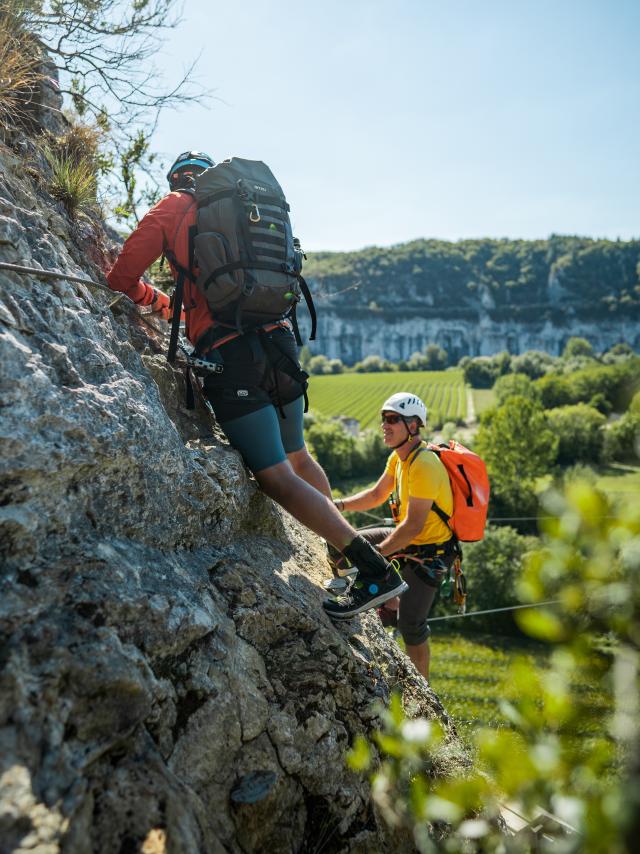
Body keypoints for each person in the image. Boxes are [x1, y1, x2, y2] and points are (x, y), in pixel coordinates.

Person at [106, 150, 407, 619]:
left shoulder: (171, 209)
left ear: (176, 180)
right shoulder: (249, 213)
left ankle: (375, 572)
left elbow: (121, 277)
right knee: (300, 456)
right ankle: (339, 551)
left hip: (232, 356)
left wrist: (150, 295)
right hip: (280, 345)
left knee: (275, 478)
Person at [333, 393, 458, 679]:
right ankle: (386, 600)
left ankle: (424, 692)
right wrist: (338, 505)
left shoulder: (424, 464)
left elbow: (413, 527)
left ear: (413, 426)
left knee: (411, 625)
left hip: (431, 552)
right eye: (384, 420)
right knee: (341, 543)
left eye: (392, 420)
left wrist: (373, 559)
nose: (384, 426)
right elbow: (377, 494)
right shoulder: (398, 458)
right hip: (405, 537)